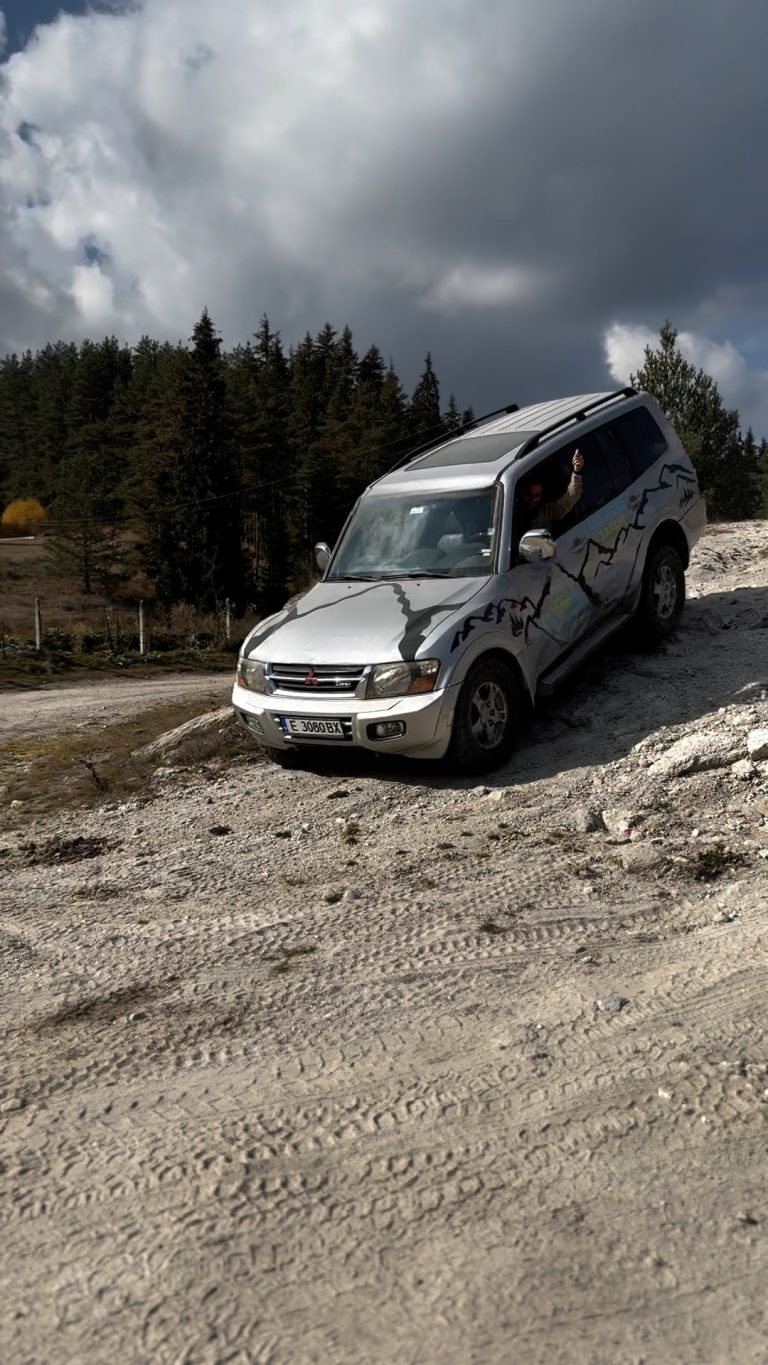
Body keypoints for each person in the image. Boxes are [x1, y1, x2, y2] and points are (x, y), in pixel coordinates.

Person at [519, 449, 584, 531]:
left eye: (537, 495)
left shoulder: (546, 512)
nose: (533, 499)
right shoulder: (509, 512)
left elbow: (571, 496)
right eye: (529, 495)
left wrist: (577, 471)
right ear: (521, 493)